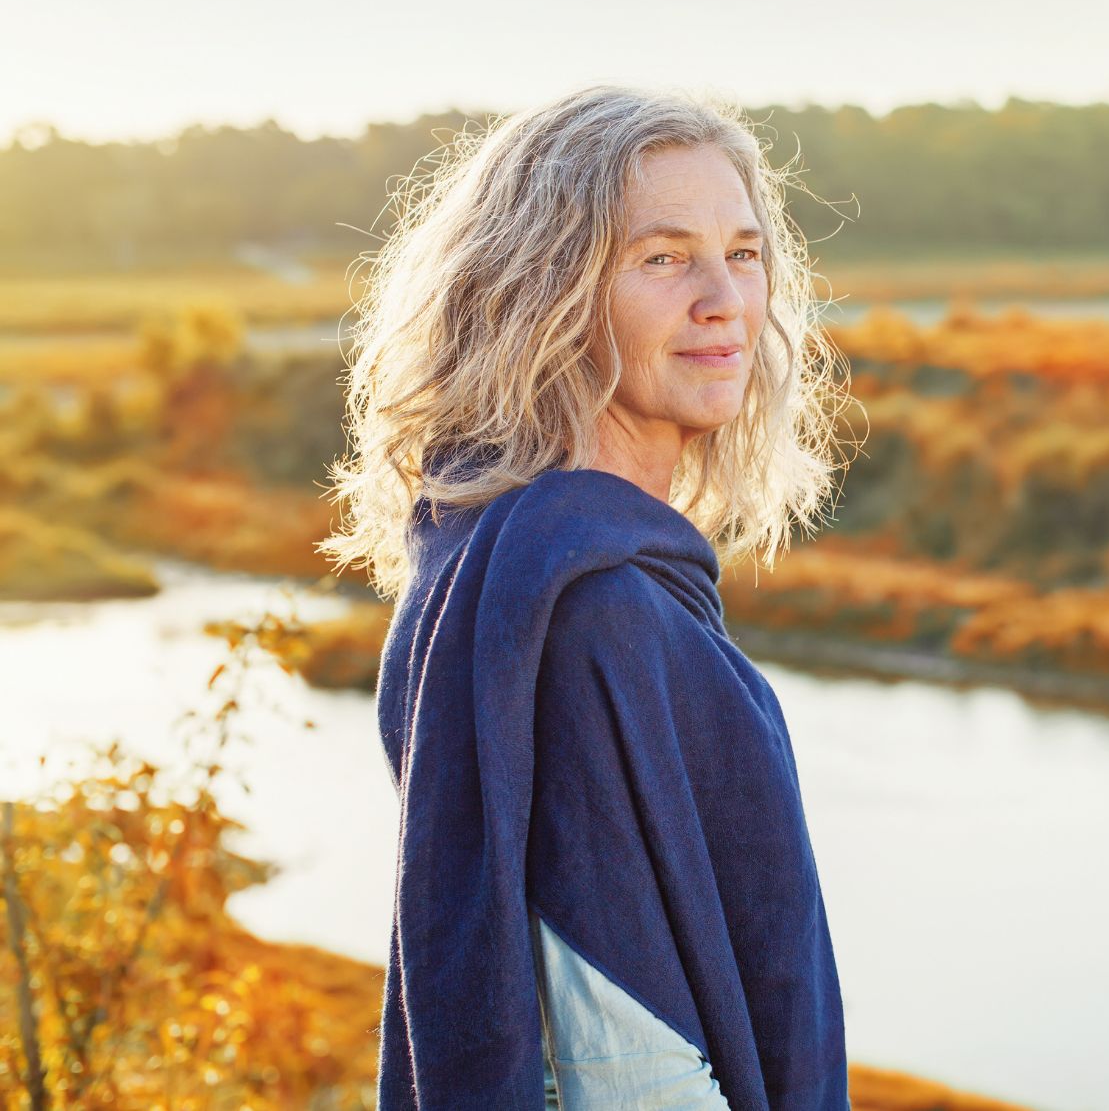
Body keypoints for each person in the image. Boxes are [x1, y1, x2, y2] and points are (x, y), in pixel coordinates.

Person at [317, 85, 856, 1110]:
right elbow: (623, 1064)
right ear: (544, 292)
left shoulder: (492, 558)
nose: (724, 299)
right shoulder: (583, 608)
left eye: (743, 253)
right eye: (662, 257)